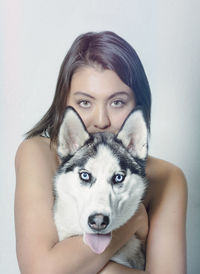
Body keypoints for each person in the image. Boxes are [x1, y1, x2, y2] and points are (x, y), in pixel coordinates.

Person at [15, 31, 187, 274]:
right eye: (85, 102)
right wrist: (133, 220)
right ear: (64, 103)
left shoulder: (168, 176)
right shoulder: (37, 153)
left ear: (138, 105)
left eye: (117, 102)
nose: (101, 121)